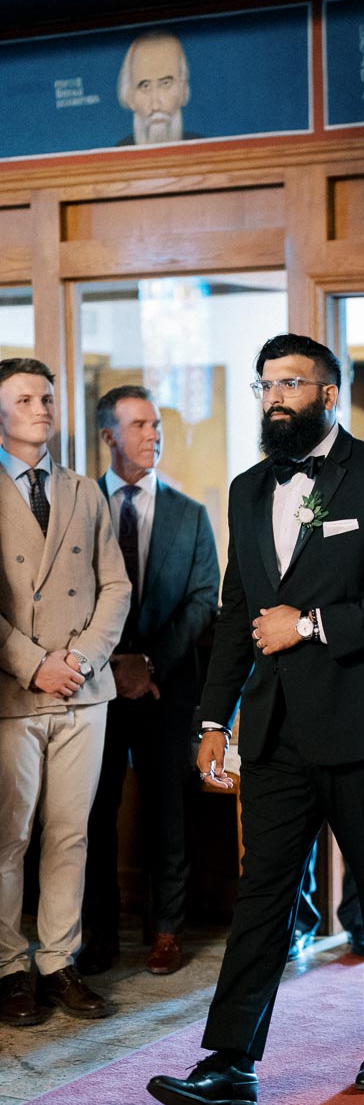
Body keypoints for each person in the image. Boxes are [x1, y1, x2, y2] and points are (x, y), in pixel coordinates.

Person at [146, 333, 364, 1105]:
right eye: (265, 384)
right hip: (275, 727)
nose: (276, 396)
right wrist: (215, 718)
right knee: (263, 894)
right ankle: (230, 1061)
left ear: (328, 394)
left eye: (292, 383)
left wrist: (311, 622)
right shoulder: (248, 489)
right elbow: (239, 611)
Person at [0, 358, 131, 1027]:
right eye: (24, 398)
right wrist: (32, 663)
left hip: (84, 690)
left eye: (46, 397)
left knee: (70, 833)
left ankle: (57, 960)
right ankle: (8, 968)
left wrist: (79, 658)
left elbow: (117, 585)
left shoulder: (83, 489)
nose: (41, 408)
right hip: (14, 693)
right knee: (8, 836)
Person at [78, 385, 219, 977]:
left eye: (156, 425)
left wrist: (149, 664)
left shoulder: (190, 514)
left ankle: (166, 931)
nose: (152, 436)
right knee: (93, 812)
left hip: (167, 687)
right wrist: (108, 664)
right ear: (108, 436)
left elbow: (202, 599)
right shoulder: (81, 508)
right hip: (94, 686)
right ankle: (99, 936)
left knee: (168, 810)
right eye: (138, 426)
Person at [116, 30, 202, 146]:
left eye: (165, 83)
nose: (155, 105)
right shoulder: (118, 156)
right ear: (130, 98)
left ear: (183, 91)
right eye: (145, 86)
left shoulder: (203, 149)